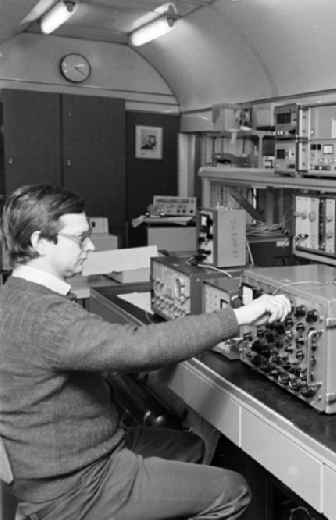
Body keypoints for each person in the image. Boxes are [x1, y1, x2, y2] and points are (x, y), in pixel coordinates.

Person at [0, 184, 292, 519]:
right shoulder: (45, 315)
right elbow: (141, 346)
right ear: (39, 242)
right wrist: (239, 317)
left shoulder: (15, 294)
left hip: (69, 456)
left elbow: (85, 354)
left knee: (191, 447)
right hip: (79, 485)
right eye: (80, 237)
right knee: (233, 490)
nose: (90, 245)